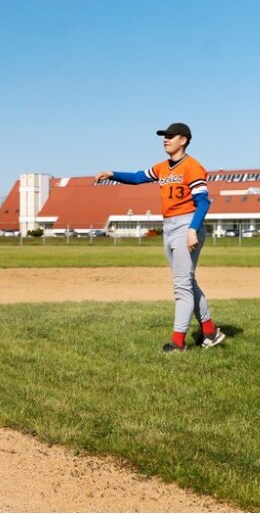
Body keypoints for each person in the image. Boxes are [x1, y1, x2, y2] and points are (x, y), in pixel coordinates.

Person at [94, 122, 225, 353]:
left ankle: (177, 342)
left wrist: (193, 230)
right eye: (164, 136)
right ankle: (210, 332)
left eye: (170, 136)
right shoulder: (163, 167)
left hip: (186, 225)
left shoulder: (192, 167)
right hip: (170, 227)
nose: (165, 139)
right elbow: (137, 177)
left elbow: (203, 201)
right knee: (187, 283)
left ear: (183, 140)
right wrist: (112, 174)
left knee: (181, 286)